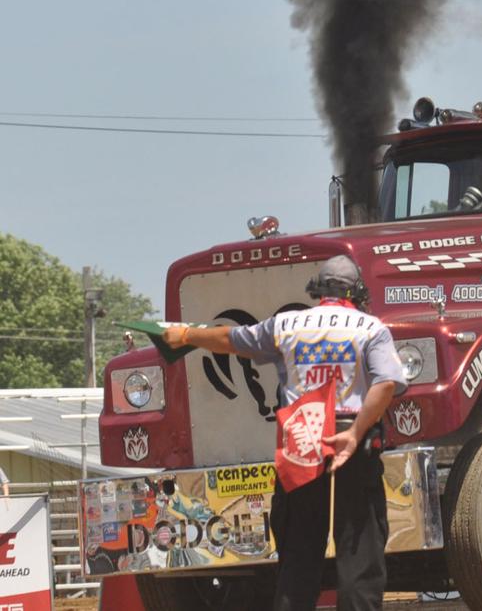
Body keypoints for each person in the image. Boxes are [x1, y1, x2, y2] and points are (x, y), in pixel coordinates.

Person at [163, 254, 406, 611]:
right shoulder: (371, 328)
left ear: (317, 289)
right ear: (355, 291)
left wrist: (186, 334)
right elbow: (387, 383)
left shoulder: (287, 325)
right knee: (359, 560)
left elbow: (232, 339)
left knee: (298, 559)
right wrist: (354, 433)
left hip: (302, 447)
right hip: (351, 447)